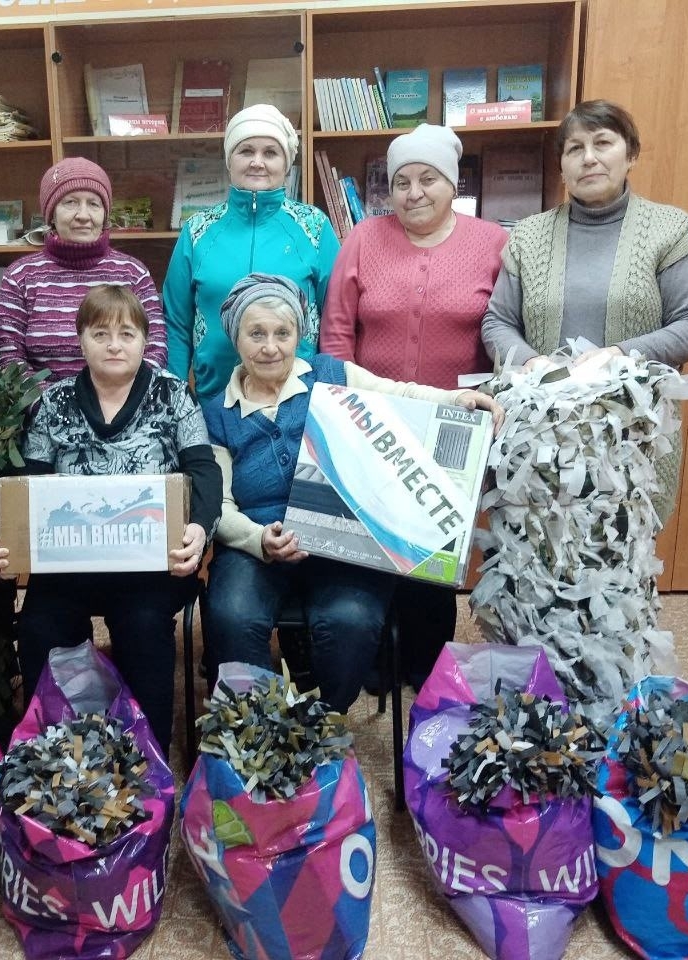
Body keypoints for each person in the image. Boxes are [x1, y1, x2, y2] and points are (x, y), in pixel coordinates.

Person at [202, 274, 502, 713]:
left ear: (299, 335)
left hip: (344, 539)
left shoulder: (331, 374)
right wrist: (258, 539)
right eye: (256, 334)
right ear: (236, 338)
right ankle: (259, 729)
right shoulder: (215, 412)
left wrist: (455, 400)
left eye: (283, 333)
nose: (270, 347)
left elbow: (398, 394)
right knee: (232, 614)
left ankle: (322, 725)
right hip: (257, 543)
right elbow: (220, 503)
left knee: (351, 621)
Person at [0, 285, 220, 756]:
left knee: (143, 626)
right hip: (69, 565)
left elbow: (203, 470)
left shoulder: (174, 395)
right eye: (100, 334)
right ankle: (52, 756)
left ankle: (147, 756)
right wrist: (0, 530)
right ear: (81, 340)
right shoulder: (55, 402)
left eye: (126, 334)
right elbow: (28, 481)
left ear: (144, 340)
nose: (114, 345)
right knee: (40, 625)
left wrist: (198, 527)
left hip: (150, 569)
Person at [320, 123, 508, 689]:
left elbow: (505, 328)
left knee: (434, 550)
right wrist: (342, 408)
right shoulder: (363, 238)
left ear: (452, 184)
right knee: (374, 538)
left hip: (456, 425)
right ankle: (377, 660)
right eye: (402, 181)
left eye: (428, 179)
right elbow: (337, 330)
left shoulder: (492, 242)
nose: (414, 192)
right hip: (373, 420)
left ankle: (426, 665)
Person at [481, 99, 688, 519]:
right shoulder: (529, 236)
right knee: (535, 543)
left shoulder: (670, 230)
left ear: (631, 154)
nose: (588, 158)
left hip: (632, 441)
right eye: (575, 148)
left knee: (620, 546)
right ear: (562, 166)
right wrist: (530, 361)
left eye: (603, 143)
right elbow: (498, 321)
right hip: (538, 441)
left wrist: (620, 356)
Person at [164, 103, 341, 404]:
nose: (257, 162)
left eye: (270, 153)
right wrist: (175, 400)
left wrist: (329, 395)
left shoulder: (314, 228)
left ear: (286, 164)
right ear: (229, 160)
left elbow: (336, 320)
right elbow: (175, 324)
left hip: (297, 404)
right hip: (213, 402)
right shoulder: (197, 231)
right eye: (246, 151)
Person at [0, 157, 166, 381]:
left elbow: (155, 349)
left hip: (124, 400)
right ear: (51, 214)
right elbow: (8, 358)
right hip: (41, 401)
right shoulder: (20, 276)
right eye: (70, 202)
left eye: (94, 204)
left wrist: (116, 397)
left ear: (105, 214)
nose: (83, 215)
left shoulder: (133, 274)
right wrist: (55, 399)